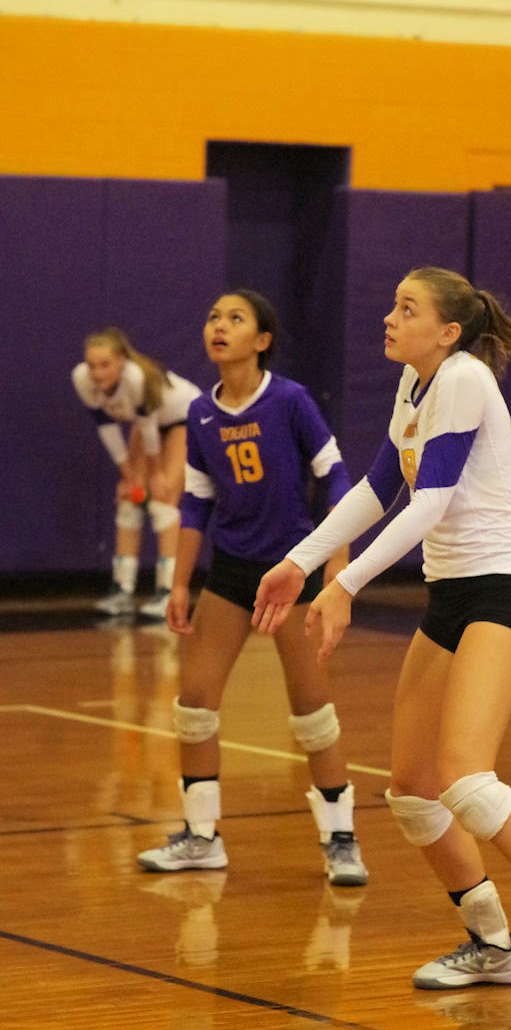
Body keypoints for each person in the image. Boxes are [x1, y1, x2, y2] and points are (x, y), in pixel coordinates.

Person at [253, 266, 511, 1021]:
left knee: (466, 777)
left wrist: (344, 584)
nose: (389, 318)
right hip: (451, 600)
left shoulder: (463, 378)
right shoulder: (415, 383)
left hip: (499, 594)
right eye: (393, 305)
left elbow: (430, 501)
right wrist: (299, 562)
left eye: (407, 308)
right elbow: (376, 488)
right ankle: (493, 945)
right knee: (413, 792)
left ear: (448, 331)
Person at [136, 289, 368, 887]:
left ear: (261, 340)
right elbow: (196, 502)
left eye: (235, 318)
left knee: (312, 711)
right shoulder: (200, 412)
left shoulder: (290, 401)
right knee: (194, 704)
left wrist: (337, 568)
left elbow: (337, 478)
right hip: (234, 571)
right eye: (214, 316)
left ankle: (341, 839)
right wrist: (179, 583)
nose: (219, 326)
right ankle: (201, 837)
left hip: (292, 570)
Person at [72, 327, 201, 619]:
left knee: (162, 501)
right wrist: (128, 476)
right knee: (130, 498)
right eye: (92, 365)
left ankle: (168, 592)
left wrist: (155, 474)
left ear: (121, 361)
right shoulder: (82, 379)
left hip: (184, 419)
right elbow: (107, 428)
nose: (97, 373)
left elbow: (149, 427)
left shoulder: (136, 378)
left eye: (105, 365)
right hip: (148, 427)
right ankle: (122, 590)